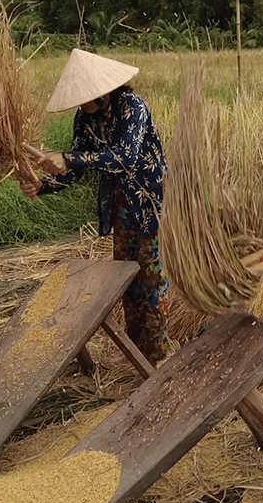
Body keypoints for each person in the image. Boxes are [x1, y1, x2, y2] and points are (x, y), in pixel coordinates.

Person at [20, 49, 170, 363]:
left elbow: (125, 156)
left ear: (101, 92)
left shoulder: (133, 107)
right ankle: (135, 352)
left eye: (84, 98)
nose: (80, 105)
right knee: (126, 277)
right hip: (120, 206)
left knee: (151, 279)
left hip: (151, 203)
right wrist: (44, 184)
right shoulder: (85, 119)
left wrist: (70, 158)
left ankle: (155, 357)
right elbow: (74, 169)